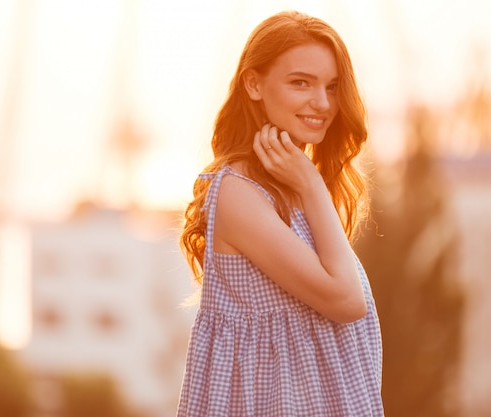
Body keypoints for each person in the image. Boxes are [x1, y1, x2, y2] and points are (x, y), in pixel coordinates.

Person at [177, 10, 384, 417]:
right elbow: (346, 301)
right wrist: (310, 183)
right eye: (300, 83)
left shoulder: (294, 190)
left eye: (332, 86)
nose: (322, 103)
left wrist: (309, 185)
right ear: (254, 84)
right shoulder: (238, 193)